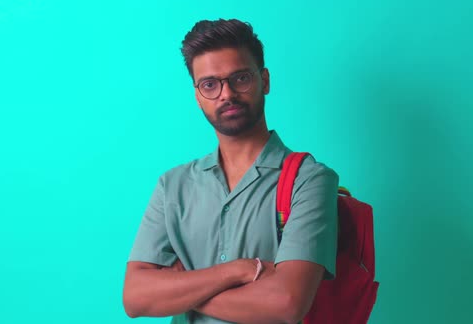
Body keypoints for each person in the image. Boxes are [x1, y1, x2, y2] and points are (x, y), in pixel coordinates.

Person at [122, 19, 339, 324]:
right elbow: (135, 298)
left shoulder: (310, 180)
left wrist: (181, 291)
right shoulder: (173, 186)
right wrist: (235, 271)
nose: (226, 94)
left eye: (240, 78)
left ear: (264, 80)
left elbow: (286, 302)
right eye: (210, 84)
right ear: (197, 96)